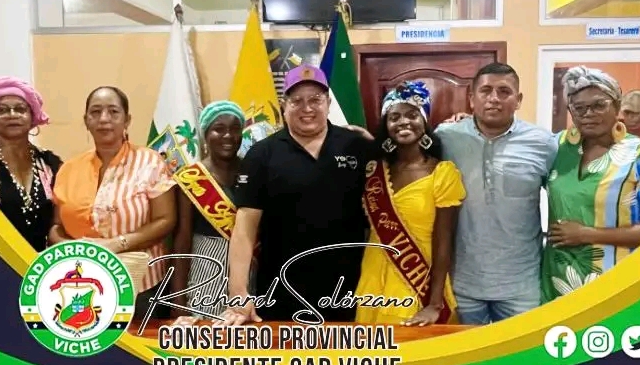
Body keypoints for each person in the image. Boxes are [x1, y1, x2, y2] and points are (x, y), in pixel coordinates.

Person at [218, 64, 371, 325]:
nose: (307, 108)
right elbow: (245, 228)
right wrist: (238, 292)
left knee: (345, 352)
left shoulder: (356, 145)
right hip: (281, 290)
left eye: (315, 100)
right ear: (283, 105)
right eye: (297, 101)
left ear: (328, 103)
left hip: (349, 288)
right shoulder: (262, 154)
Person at [436, 63, 558, 325]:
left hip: (522, 285)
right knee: (467, 351)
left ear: (518, 100)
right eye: (486, 90)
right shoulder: (445, 138)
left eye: (504, 91)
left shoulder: (544, 143)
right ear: (472, 99)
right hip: (462, 283)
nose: (494, 98)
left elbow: (563, 194)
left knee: (524, 351)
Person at [49, 86, 177, 319]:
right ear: (86, 121)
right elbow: (57, 226)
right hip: (82, 283)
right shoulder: (69, 168)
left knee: (138, 342)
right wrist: (77, 250)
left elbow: (166, 220)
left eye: (113, 111)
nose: (104, 119)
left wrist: (115, 245)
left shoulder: (149, 162)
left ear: (127, 120)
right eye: (95, 112)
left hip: (140, 285)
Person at [542, 67, 640, 303]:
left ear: (617, 106)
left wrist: (586, 234)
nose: (588, 114)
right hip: (557, 282)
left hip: (619, 285)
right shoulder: (555, 147)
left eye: (599, 105)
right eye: (579, 108)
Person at [355, 81, 466, 326]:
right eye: (394, 117)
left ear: (424, 122)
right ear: (386, 125)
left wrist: (434, 304)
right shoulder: (374, 171)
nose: (403, 122)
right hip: (373, 276)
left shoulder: (442, 173)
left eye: (412, 115)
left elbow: (444, 242)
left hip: (417, 279)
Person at [171, 100, 250, 322]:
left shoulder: (253, 171)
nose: (228, 136)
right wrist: (178, 299)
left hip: (247, 272)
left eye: (235, 129)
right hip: (206, 270)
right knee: (205, 334)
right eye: (219, 129)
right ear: (205, 135)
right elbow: (182, 240)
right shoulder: (191, 177)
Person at [0, 77, 62, 252]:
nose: (12, 115)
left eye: (21, 109)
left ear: (32, 116)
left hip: (40, 264)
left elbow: (59, 221)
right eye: (1, 110)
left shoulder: (50, 163)